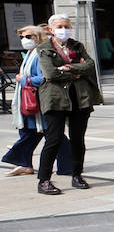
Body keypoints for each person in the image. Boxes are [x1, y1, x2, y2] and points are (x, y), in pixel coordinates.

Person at [36, 14, 103, 196]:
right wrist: (76, 71)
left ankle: (77, 175)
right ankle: (44, 180)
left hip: (79, 97)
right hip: (55, 98)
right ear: (50, 30)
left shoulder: (77, 46)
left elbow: (90, 65)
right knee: (54, 139)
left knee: (77, 139)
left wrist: (69, 68)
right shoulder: (44, 48)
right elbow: (50, 74)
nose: (64, 29)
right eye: (59, 26)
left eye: (66, 26)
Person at [4, 25, 71, 177]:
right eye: (21, 37)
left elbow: (46, 77)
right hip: (30, 100)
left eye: (28, 37)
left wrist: (25, 80)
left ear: (38, 37)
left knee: (51, 134)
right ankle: (25, 163)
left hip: (40, 100)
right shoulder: (30, 53)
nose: (24, 40)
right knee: (31, 132)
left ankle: (66, 165)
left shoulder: (41, 53)